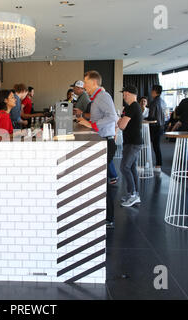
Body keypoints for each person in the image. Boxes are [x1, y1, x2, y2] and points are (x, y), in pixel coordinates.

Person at [76, 71, 119, 228]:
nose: (85, 87)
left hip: (107, 142)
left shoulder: (103, 96)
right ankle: (104, 215)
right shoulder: (97, 98)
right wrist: (87, 121)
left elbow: (112, 117)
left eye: (86, 84)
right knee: (101, 181)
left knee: (103, 182)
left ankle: (109, 218)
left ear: (94, 83)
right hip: (102, 141)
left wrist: (92, 125)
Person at [118, 85, 143, 207]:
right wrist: (121, 120)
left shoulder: (132, 107)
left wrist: (120, 120)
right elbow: (122, 123)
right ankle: (134, 194)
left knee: (124, 167)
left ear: (128, 93)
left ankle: (133, 195)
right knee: (131, 168)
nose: (124, 96)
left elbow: (122, 125)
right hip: (133, 142)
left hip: (132, 143)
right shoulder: (135, 107)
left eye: (124, 94)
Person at [145, 84, 166, 173]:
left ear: (154, 91)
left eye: (152, 90)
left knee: (152, 146)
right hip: (161, 126)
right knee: (156, 146)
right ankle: (157, 164)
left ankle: (155, 164)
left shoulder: (154, 102)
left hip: (154, 127)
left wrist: (144, 119)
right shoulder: (163, 102)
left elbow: (151, 116)